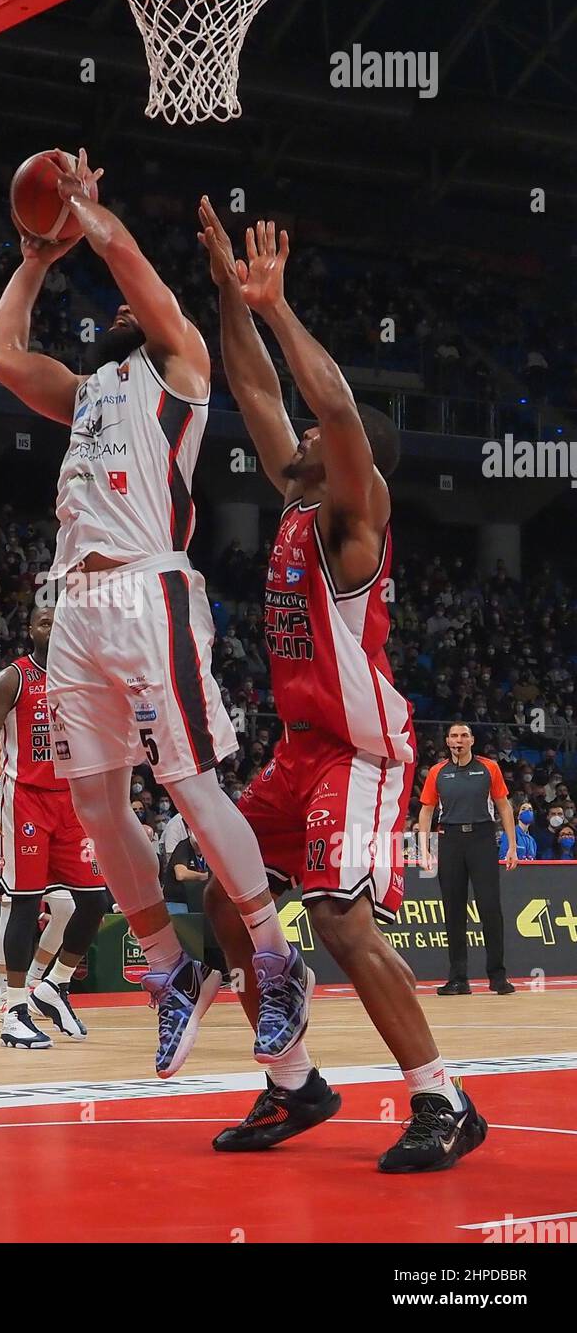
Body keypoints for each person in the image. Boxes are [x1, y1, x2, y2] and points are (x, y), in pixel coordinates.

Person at [0, 152, 309, 1079]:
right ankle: (171, 972)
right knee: (96, 801)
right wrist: (39, 259)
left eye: (129, 303)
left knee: (190, 784)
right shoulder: (87, 392)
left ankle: (273, 960)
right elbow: (0, 355)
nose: (119, 308)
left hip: (146, 587)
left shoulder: (179, 371)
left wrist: (90, 212)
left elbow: (139, 278)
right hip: (74, 604)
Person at [196, 202, 487, 1173]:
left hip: (362, 753)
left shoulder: (355, 516)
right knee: (227, 907)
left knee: (336, 915)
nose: (300, 438)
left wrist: (280, 310)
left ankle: (441, 1098)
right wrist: (232, 299)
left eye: (318, 435)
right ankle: (295, 1085)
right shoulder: (299, 493)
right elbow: (249, 385)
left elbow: (332, 408)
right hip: (299, 751)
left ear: (346, 456)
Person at [0, 605, 109, 1047]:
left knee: (94, 901)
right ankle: (12, 1008)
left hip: (74, 804)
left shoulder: (85, 678)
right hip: (23, 801)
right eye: (45, 621)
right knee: (24, 905)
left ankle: (55, 984)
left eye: (60, 620)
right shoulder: (12, 678)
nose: (53, 627)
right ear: (31, 629)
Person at [418, 723, 518, 997]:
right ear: (447, 741)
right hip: (450, 841)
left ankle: (498, 977)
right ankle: (458, 979)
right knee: (453, 911)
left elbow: (503, 806)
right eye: (453, 736)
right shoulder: (438, 771)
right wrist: (424, 849)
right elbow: (426, 812)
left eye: (463, 735)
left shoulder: (489, 767)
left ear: (472, 740)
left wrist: (511, 845)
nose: (458, 740)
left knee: (490, 909)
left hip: (482, 839)